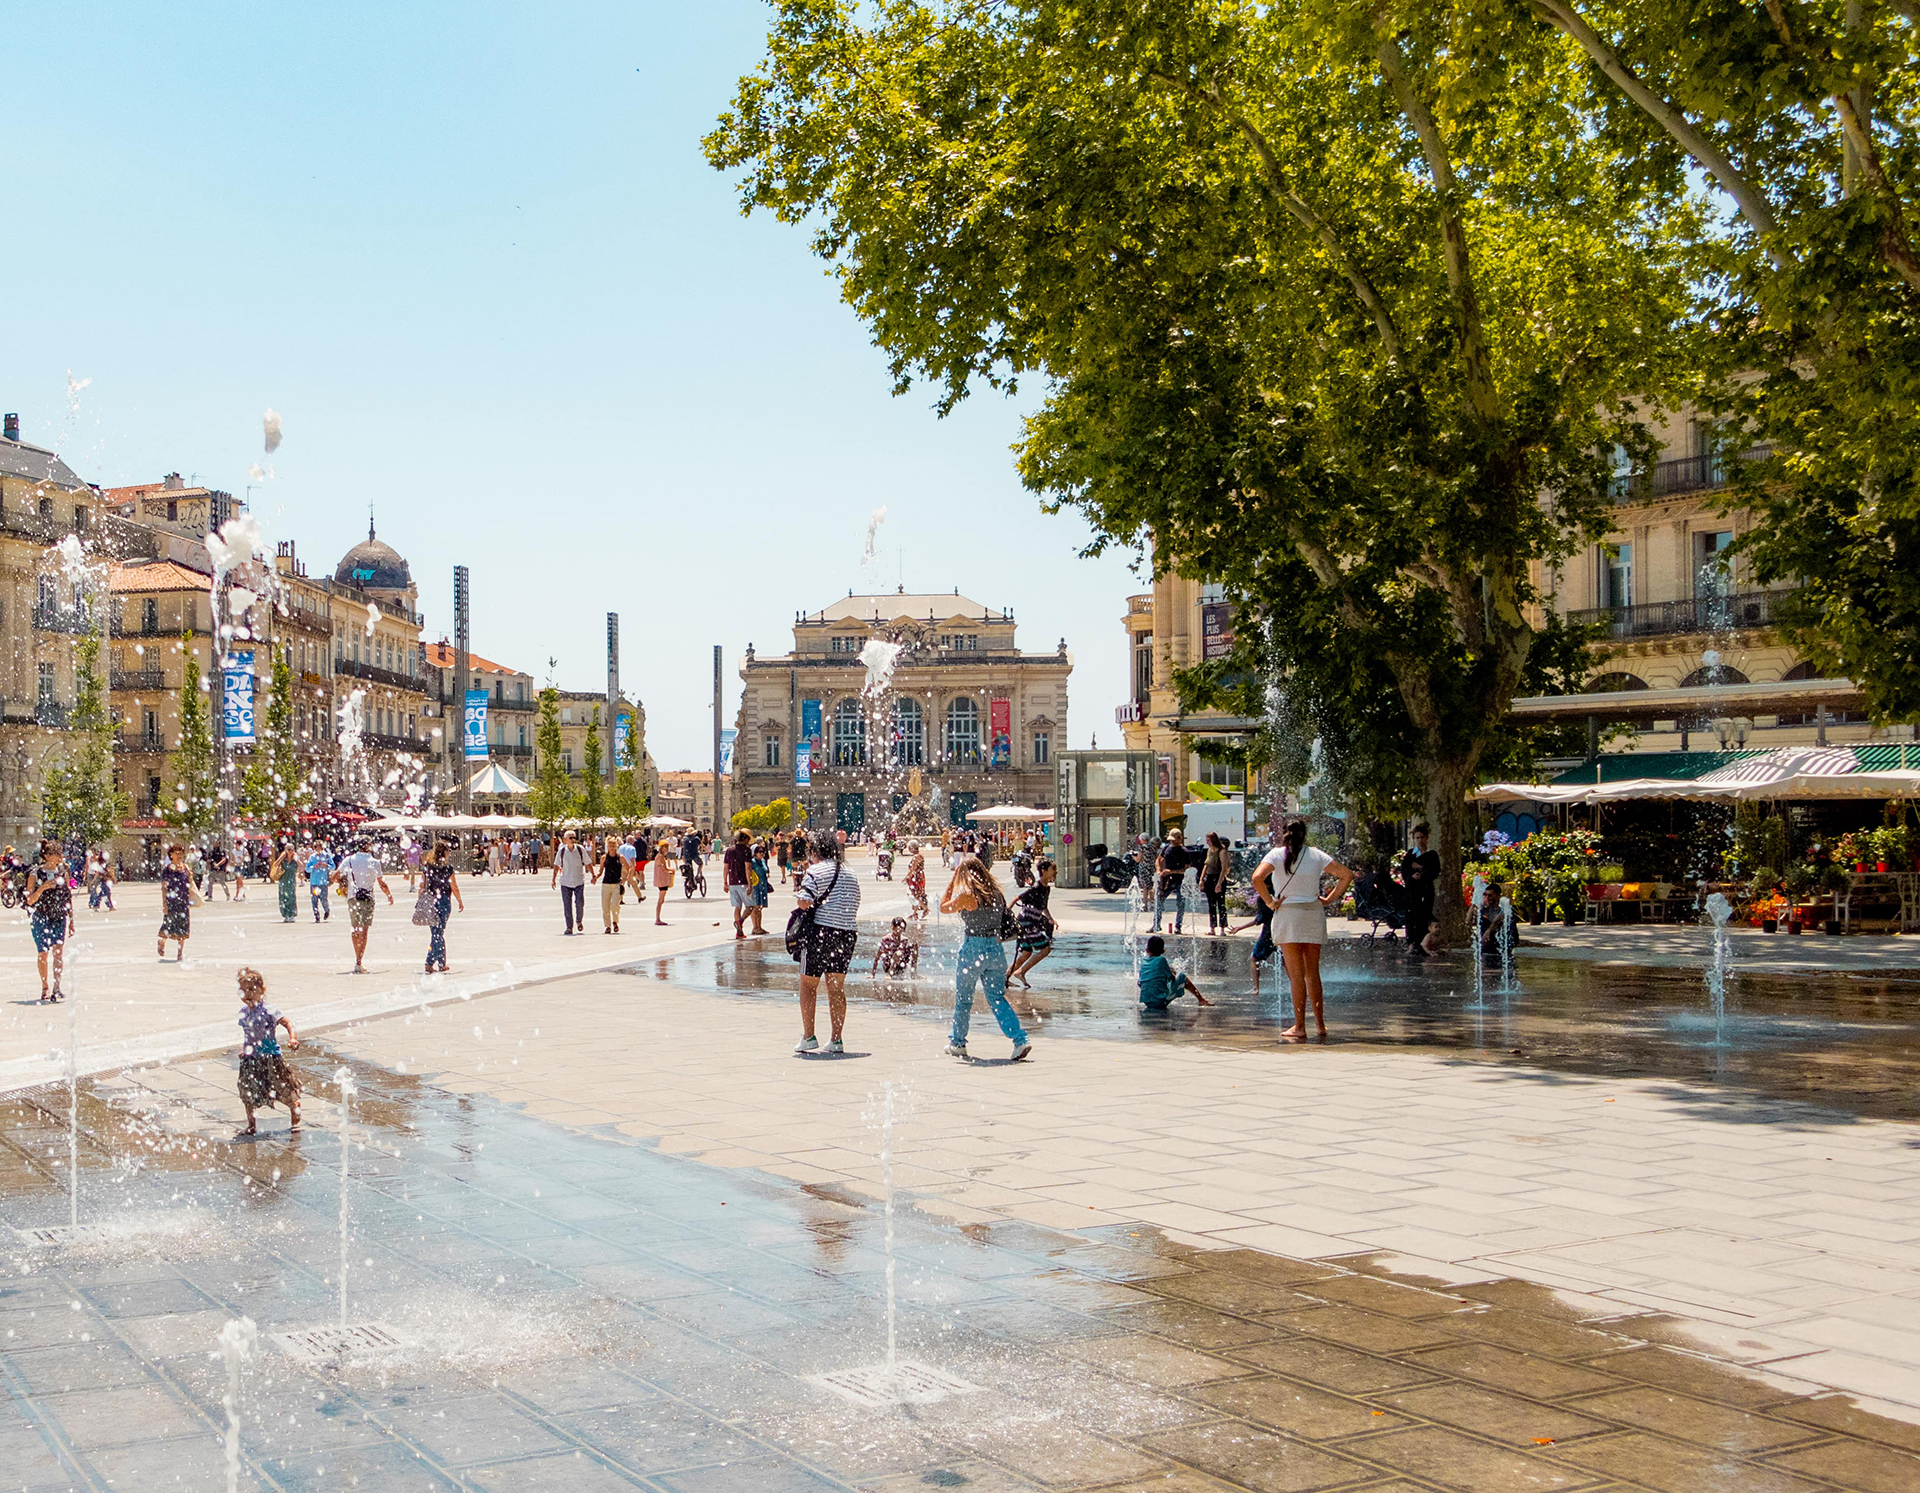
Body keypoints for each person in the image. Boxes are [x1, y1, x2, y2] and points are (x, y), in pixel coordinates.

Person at [1251, 820, 1356, 1042]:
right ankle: (1320, 1024)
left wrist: (1270, 902)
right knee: (1313, 973)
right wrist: (1329, 899)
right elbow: (1346, 875)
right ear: (1304, 835)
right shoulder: (1316, 854)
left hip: (1288, 916)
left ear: (1284, 834)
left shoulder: (1276, 855)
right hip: (1312, 914)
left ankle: (1299, 1026)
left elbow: (1257, 878)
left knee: (1296, 977)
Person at [939, 853, 1032, 1063]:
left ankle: (958, 1043)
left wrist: (953, 880)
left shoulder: (968, 896)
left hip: (974, 948)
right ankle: (1020, 1040)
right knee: (997, 998)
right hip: (996, 950)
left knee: (963, 999)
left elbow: (943, 907)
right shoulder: (996, 893)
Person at [794, 831, 861, 1055]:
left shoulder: (816, 870)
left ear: (815, 852)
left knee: (808, 985)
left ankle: (809, 1036)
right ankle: (836, 1039)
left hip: (820, 932)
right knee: (836, 987)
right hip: (847, 934)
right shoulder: (851, 873)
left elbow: (804, 900)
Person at [235, 967, 301, 1136]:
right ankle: (251, 1125)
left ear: (262, 990)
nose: (247, 995)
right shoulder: (243, 1014)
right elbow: (248, 1035)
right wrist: (245, 1051)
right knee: (247, 1091)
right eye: (242, 991)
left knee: (282, 1088)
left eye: (251, 990)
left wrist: (292, 1037)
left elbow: (287, 1023)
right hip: (251, 1059)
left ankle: (294, 1109)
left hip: (271, 1057)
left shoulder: (270, 1010)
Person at [334, 838, 394, 974]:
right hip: (367, 898)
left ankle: (357, 958)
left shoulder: (348, 860)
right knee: (364, 930)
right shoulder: (374, 862)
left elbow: (335, 875)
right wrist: (389, 895)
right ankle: (359, 961)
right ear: (369, 846)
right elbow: (381, 882)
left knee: (355, 929)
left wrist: (343, 882)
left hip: (352, 897)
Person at [25, 841, 73, 1003]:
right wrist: (42, 888)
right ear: (47, 856)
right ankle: (45, 986)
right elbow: (29, 900)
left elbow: (68, 897)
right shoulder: (35, 873)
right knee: (43, 953)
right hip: (40, 916)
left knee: (58, 952)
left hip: (59, 917)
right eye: (57, 854)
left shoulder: (63, 872)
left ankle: (56, 987)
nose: (61, 857)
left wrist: (71, 920)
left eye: (61, 854)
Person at [1008, 857, 1057, 989]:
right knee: (1045, 948)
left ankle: (1004, 978)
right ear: (1044, 870)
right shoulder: (1036, 887)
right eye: (1053, 870)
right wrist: (1006, 915)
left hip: (1031, 922)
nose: (1055, 872)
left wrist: (1051, 919)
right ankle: (1021, 972)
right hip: (1026, 923)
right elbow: (1016, 898)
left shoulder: (1046, 888)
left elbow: (1043, 906)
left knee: (1026, 953)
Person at [1138, 935, 1213, 1011]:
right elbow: (1172, 978)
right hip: (1160, 1001)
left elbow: (1139, 983)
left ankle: (1155, 996)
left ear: (1147, 949)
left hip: (1147, 1001)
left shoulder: (1143, 961)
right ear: (1162, 951)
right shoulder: (1161, 960)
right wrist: (1173, 971)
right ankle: (1201, 999)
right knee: (1182, 976)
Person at [421, 842, 463, 972]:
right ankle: (438, 963)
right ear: (444, 853)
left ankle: (432, 963)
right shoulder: (447, 868)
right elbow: (453, 886)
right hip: (443, 901)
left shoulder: (427, 867)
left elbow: (422, 885)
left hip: (431, 900)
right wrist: (460, 900)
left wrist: (420, 901)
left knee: (436, 933)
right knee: (438, 933)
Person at [1402, 823, 1442, 959]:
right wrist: (1411, 876)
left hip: (1426, 890)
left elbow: (1435, 871)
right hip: (1412, 891)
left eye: (1422, 837)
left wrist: (1422, 872)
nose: (1420, 840)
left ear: (1426, 838)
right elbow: (1405, 870)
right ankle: (1412, 943)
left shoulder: (1432, 854)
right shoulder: (1410, 854)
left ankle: (1425, 943)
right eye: (1417, 838)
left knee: (1424, 915)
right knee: (1411, 916)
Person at [158, 843, 199, 962]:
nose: (180, 855)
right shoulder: (167, 870)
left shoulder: (185, 868)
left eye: (181, 853)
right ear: (171, 855)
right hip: (171, 902)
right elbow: (164, 888)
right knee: (168, 925)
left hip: (183, 902)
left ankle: (180, 953)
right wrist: (164, 903)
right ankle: (161, 942)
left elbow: (190, 883)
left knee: (183, 928)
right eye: (177, 853)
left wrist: (190, 877)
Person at [551, 829, 590, 935]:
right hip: (565, 882)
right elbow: (556, 865)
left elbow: (588, 862)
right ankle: (569, 927)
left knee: (580, 903)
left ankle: (579, 921)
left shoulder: (580, 849)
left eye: (574, 838)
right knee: (567, 905)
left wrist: (594, 875)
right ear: (565, 840)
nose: (573, 840)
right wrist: (553, 879)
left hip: (578, 881)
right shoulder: (562, 851)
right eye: (570, 838)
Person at [1152, 828, 1189, 934]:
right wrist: (1159, 870)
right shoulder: (1167, 848)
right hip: (1167, 880)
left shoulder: (1184, 851)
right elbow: (1158, 859)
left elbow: (1187, 869)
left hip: (1180, 881)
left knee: (1180, 903)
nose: (1171, 842)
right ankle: (1156, 925)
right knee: (1159, 901)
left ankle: (1178, 926)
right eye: (1170, 840)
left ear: (1179, 838)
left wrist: (1172, 871)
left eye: (1173, 840)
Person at [723, 828, 754, 938]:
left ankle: (739, 932)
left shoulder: (729, 850)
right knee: (750, 906)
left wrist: (725, 882)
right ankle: (740, 922)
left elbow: (725, 867)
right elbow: (748, 867)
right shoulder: (747, 850)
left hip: (732, 882)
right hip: (743, 882)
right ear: (745, 839)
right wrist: (750, 884)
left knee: (737, 907)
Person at [1199, 832, 1229, 935]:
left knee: (1221, 904)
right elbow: (1206, 865)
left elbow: (1224, 868)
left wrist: (1219, 883)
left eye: (1208, 841)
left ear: (1213, 840)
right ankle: (1212, 928)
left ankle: (1222, 928)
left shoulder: (1221, 851)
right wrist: (1201, 879)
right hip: (1209, 877)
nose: (1207, 843)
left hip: (1218, 877)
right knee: (1211, 904)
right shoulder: (1209, 850)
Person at [598, 834, 627, 934]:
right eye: (610, 846)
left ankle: (615, 921)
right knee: (605, 906)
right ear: (607, 847)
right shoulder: (604, 858)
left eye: (614, 846)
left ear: (616, 847)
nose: (612, 848)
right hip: (606, 884)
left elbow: (629, 867)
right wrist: (595, 877)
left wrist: (625, 878)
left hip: (616, 884)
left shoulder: (620, 857)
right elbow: (601, 870)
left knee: (615, 905)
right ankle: (607, 926)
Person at [267, 840, 301, 924]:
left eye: (292, 849)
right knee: (283, 898)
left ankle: (291, 914)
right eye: (288, 849)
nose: (290, 851)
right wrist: (282, 857)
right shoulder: (283, 860)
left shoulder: (294, 860)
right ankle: (285, 914)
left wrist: (297, 859)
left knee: (291, 897)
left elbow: (301, 867)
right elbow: (275, 864)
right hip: (283, 881)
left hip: (291, 881)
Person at [305, 841, 335, 922]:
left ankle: (326, 910)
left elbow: (333, 867)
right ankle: (316, 916)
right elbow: (307, 869)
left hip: (323, 882)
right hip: (314, 882)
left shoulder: (326, 856)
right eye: (316, 847)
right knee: (314, 900)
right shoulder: (312, 857)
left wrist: (327, 866)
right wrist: (314, 867)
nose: (318, 849)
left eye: (320, 847)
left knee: (324, 899)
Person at [748, 839, 771, 935]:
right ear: (755, 853)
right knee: (755, 907)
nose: (762, 854)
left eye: (763, 852)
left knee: (760, 907)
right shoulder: (752, 862)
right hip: (755, 886)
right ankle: (755, 927)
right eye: (760, 852)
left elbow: (766, 871)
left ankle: (759, 926)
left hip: (763, 886)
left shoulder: (763, 861)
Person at [651, 840, 676, 924]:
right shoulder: (660, 857)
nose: (667, 849)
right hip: (662, 880)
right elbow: (664, 869)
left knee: (661, 900)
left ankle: (658, 918)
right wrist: (671, 871)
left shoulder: (659, 856)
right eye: (666, 847)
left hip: (660, 880)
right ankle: (657, 919)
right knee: (661, 900)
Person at [904, 840, 928, 919]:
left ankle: (925, 909)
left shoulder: (916, 857)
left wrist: (906, 877)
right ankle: (915, 912)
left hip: (916, 878)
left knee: (914, 895)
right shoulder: (920, 855)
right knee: (916, 894)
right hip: (919, 877)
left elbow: (912, 869)